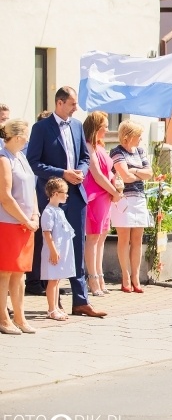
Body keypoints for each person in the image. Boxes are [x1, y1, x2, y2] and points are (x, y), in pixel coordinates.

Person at [27, 87, 106, 317]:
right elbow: (34, 163)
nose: (76, 108)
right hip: (52, 198)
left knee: (77, 247)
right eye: (72, 104)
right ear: (59, 103)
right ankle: (55, 301)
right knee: (53, 247)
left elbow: (83, 157)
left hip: (76, 194)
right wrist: (63, 173)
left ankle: (81, 300)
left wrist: (79, 172)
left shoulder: (77, 126)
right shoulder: (41, 128)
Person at [0, 119, 39, 334]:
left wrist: (35, 214)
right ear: (17, 137)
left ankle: (20, 317)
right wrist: (26, 219)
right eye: (26, 134)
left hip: (25, 224)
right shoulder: (4, 159)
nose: (28, 139)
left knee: (19, 273)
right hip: (8, 223)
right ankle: (3, 319)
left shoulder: (21, 157)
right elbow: (5, 197)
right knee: (5, 273)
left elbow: (31, 188)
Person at [109, 120, 153, 293]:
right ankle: (125, 276)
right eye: (138, 135)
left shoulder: (140, 151)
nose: (141, 138)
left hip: (139, 198)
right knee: (124, 239)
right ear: (128, 137)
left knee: (137, 239)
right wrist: (137, 173)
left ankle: (136, 276)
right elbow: (124, 177)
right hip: (123, 200)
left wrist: (133, 171)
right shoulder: (116, 152)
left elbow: (149, 174)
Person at [83, 112, 121, 296]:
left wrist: (117, 184)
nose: (107, 129)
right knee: (93, 237)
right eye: (104, 126)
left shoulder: (100, 147)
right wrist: (114, 192)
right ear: (95, 127)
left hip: (106, 196)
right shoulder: (88, 147)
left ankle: (100, 276)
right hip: (96, 196)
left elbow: (108, 172)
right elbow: (97, 175)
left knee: (102, 237)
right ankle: (92, 278)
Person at [41, 178, 77, 321]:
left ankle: (56, 307)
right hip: (53, 252)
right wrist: (53, 250)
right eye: (64, 193)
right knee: (52, 281)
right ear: (55, 193)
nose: (67, 195)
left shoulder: (59, 210)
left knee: (57, 280)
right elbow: (47, 232)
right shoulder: (49, 212)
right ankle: (51, 309)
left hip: (60, 251)